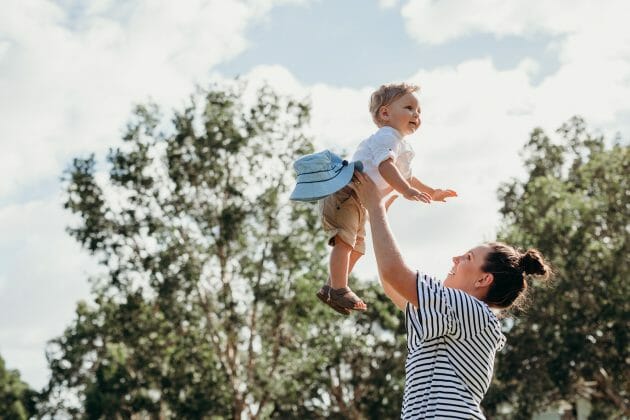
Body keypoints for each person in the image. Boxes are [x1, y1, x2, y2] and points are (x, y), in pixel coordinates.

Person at [349, 170, 552, 419]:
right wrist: (377, 217)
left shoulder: (470, 309)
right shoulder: (459, 315)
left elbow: (395, 273)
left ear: (484, 279)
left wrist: (376, 207)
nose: (455, 258)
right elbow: (394, 288)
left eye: (467, 257)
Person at [316, 83, 457, 315]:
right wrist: (405, 191)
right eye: (409, 108)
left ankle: (332, 287)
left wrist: (433, 192)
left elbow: (408, 177)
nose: (416, 114)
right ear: (385, 113)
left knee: (358, 249)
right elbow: (386, 167)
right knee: (345, 242)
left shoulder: (401, 144)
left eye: (419, 111)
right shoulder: (387, 136)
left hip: (360, 201)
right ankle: (339, 288)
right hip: (346, 193)